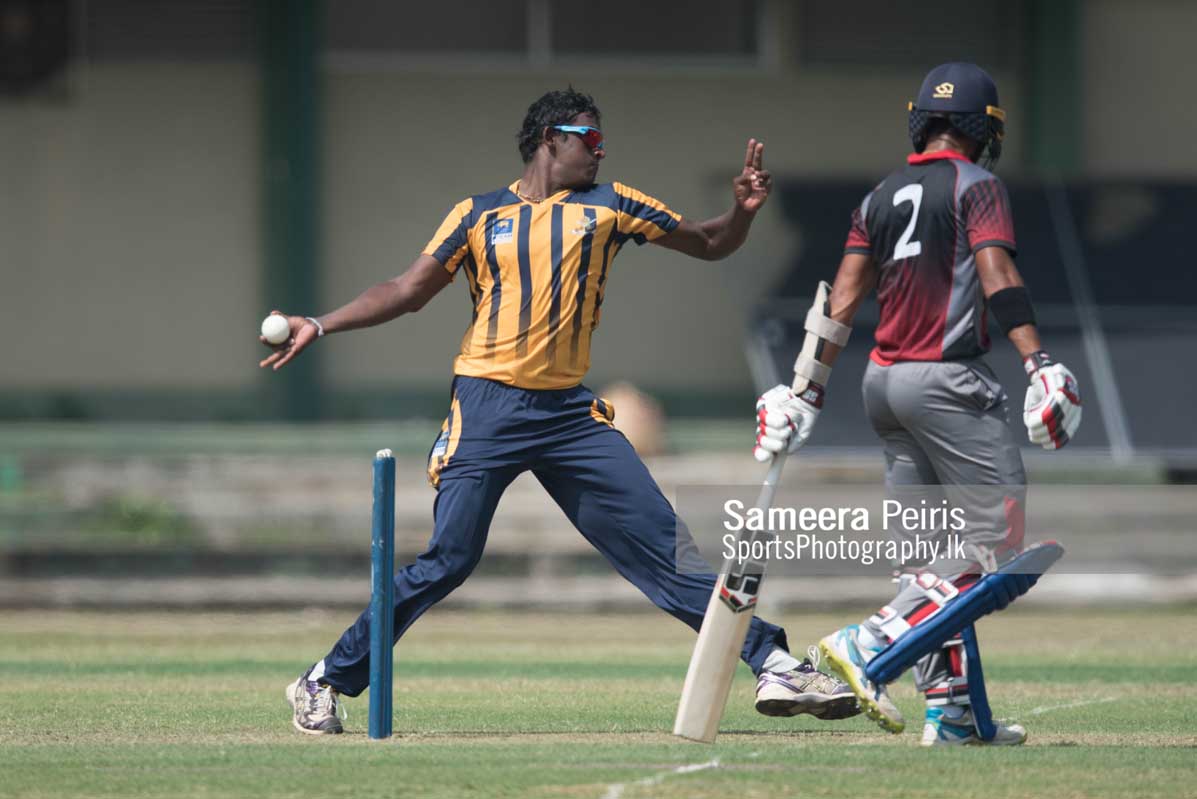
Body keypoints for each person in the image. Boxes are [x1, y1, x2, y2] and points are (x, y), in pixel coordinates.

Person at [262, 88, 858, 735]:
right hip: (486, 405)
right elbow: (406, 292)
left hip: (570, 415)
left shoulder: (612, 204)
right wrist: (318, 325)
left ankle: (772, 659)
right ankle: (323, 679)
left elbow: (709, 241)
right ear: (551, 138)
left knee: (665, 546)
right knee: (449, 558)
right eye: (589, 140)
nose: (600, 152)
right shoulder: (477, 213)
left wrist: (740, 213)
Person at [752, 63, 1082, 746]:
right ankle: (865, 641)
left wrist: (801, 391)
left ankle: (955, 712)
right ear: (981, 129)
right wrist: (1038, 361)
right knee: (993, 547)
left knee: (927, 563)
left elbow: (839, 301)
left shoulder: (879, 194)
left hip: (883, 388)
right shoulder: (977, 184)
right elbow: (997, 273)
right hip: (948, 386)